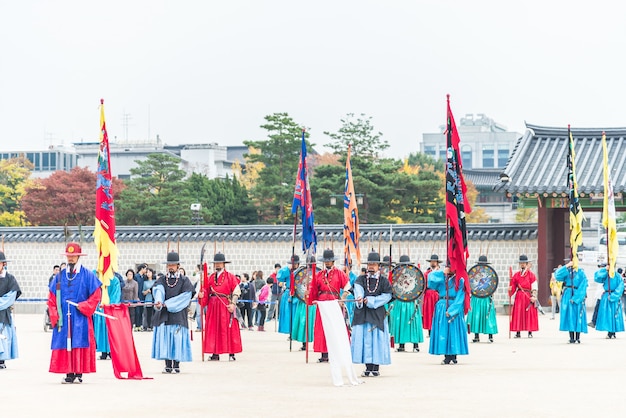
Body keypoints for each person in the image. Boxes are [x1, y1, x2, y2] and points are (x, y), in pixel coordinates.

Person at [47, 242, 102, 384]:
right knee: (65, 343)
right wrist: (55, 314)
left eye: (73, 256)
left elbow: (96, 295)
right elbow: (51, 298)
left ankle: (79, 372)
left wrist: (84, 306)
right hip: (63, 317)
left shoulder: (87, 275)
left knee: (79, 342)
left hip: (80, 317)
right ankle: (68, 372)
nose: (70, 259)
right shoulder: (59, 277)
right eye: (68, 256)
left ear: (78, 257)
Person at [151, 251, 194, 373]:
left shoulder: (185, 280)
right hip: (164, 314)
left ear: (178, 266)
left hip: (179, 314)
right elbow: (158, 290)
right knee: (165, 339)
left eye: (173, 265)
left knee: (177, 339)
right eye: (169, 265)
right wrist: (159, 301)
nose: (171, 267)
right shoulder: (162, 280)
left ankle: (177, 364)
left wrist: (168, 304)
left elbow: (186, 297)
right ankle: (167, 364)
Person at [351, 251, 392, 377]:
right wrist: (359, 298)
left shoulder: (384, 281)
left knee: (377, 339)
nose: (371, 267)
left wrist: (372, 301)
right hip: (363, 313)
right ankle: (367, 367)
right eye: (369, 264)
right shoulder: (360, 279)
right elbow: (358, 290)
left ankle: (376, 367)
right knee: (365, 339)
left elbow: (387, 296)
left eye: (374, 264)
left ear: (379, 266)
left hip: (378, 312)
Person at [198, 252, 242, 361]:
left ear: (224, 264)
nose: (218, 265)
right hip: (213, 306)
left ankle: (231, 353)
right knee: (213, 329)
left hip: (225, 304)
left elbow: (236, 291)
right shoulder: (210, 277)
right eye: (216, 263)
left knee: (228, 328)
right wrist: (202, 294)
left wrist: (233, 303)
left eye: (220, 263)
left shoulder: (230, 277)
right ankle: (215, 353)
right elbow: (205, 291)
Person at [308, 249, 350, 363]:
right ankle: (324, 354)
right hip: (322, 304)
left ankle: (335, 353)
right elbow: (314, 289)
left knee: (334, 328)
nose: (327, 263)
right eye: (325, 261)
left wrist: (342, 299)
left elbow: (347, 287)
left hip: (334, 302)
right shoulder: (319, 275)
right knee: (322, 328)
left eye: (329, 261)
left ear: (333, 261)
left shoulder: (339, 273)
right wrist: (310, 297)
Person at [428, 264, 470, 365]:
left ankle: (454, 355)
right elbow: (430, 280)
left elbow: (460, 297)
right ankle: (446, 356)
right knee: (444, 331)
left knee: (454, 331)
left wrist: (452, 310)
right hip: (442, 306)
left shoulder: (460, 280)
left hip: (454, 306)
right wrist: (442, 272)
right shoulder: (442, 278)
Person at [389, 255, 424, 352]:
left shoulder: (414, 274)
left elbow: (419, 286)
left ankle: (415, 344)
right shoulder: (396, 274)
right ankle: (401, 345)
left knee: (413, 322)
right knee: (401, 322)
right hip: (400, 301)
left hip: (412, 300)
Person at [554, 260, 588, 343]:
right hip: (568, 294)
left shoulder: (581, 273)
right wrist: (566, 266)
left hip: (577, 294)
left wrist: (576, 298)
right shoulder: (567, 272)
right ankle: (571, 337)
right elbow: (557, 275)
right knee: (570, 315)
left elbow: (583, 286)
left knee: (578, 315)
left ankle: (578, 337)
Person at [466, 255, 498, 343]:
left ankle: (490, 336)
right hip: (476, 297)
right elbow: (470, 283)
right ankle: (476, 336)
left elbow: (492, 285)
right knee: (476, 316)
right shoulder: (474, 274)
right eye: (481, 264)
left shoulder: (490, 274)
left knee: (488, 316)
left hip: (487, 297)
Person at [508, 254, 539, 338]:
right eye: (521, 263)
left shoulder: (531, 275)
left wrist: (534, 296)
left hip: (528, 295)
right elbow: (513, 287)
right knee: (518, 313)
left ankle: (530, 332)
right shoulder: (516, 275)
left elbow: (534, 287)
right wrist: (510, 289)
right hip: (519, 296)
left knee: (529, 313)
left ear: (526, 263)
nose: (522, 264)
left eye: (524, 263)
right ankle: (518, 332)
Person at [0, 251, 21, 369]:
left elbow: (10, 297)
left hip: (4, 313)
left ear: (3, 264)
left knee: (3, 335)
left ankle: (1, 360)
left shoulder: (10, 279)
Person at [94, 269, 121, 360]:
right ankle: (103, 351)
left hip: (109, 309)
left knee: (111, 330)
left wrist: (110, 305)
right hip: (100, 308)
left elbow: (116, 295)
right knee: (101, 331)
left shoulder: (115, 280)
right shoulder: (99, 279)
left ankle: (111, 351)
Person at [594, 264, 625, 339]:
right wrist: (604, 269)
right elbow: (597, 277)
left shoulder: (618, 276)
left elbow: (620, 287)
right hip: (606, 296)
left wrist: (614, 296)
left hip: (613, 296)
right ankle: (610, 331)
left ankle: (612, 332)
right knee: (608, 315)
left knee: (614, 314)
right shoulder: (606, 275)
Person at [277, 256, 300, 336]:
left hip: (298, 294)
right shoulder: (287, 271)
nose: (293, 266)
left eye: (295, 264)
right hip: (288, 293)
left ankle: (295, 332)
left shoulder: (301, 271)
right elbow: (279, 277)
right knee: (288, 315)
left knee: (295, 315)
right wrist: (287, 269)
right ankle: (289, 332)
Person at [422, 254, 442, 336]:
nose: (433, 263)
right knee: (429, 312)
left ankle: (437, 330)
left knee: (437, 312)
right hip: (428, 294)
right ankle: (430, 331)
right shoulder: (426, 273)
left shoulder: (440, 273)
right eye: (432, 262)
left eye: (434, 262)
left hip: (437, 295)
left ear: (437, 263)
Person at [133, 263, 147, 331]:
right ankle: (136, 325)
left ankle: (140, 325)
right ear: (142, 269)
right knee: (137, 311)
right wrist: (136, 296)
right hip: (137, 296)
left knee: (141, 311)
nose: (146, 270)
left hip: (142, 296)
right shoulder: (136, 276)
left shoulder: (143, 277)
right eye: (145, 268)